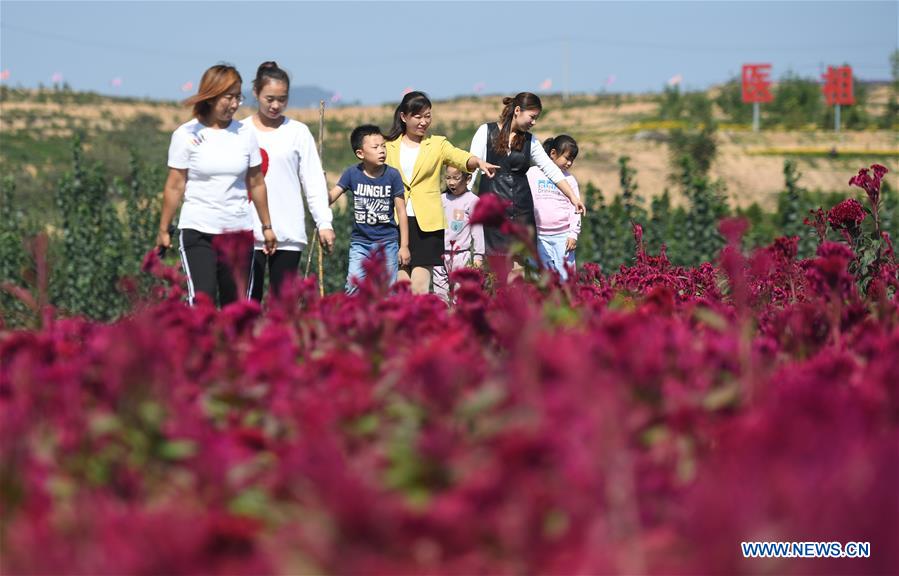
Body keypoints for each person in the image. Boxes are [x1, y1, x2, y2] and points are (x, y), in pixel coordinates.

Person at [156, 64, 277, 307]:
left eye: (238, 97)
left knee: (236, 306)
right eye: (228, 97)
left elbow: (256, 182)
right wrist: (163, 229)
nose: (234, 104)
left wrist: (267, 226)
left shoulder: (245, 134)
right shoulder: (186, 134)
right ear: (211, 96)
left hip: (237, 231)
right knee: (203, 302)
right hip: (198, 231)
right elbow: (175, 185)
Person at [385, 91, 498, 295]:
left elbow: (459, 157)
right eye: (418, 116)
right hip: (396, 221)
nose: (423, 121)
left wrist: (478, 162)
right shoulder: (389, 147)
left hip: (427, 223)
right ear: (404, 117)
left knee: (420, 287)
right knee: (401, 287)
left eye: (427, 116)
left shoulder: (437, 144)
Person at [242, 61, 335, 302]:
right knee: (245, 304)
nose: (275, 105)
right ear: (256, 93)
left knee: (283, 307)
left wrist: (324, 222)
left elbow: (313, 180)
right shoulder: (240, 132)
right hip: (247, 232)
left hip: (288, 233)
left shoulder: (298, 132)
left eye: (282, 99)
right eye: (269, 98)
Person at [468, 92, 585, 278]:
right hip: (493, 210)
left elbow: (551, 170)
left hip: (521, 209)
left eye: (536, 118)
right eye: (532, 117)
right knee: (495, 267)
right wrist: (465, 197)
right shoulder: (486, 131)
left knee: (519, 268)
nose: (534, 122)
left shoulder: (531, 141)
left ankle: (517, 304)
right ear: (517, 111)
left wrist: (573, 197)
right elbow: (471, 166)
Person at [329, 125, 410, 293]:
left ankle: (388, 319)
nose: (382, 151)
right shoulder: (352, 173)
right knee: (353, 286)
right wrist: (319, 186)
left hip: (387, 242)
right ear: (360, 153)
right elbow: (330, 198)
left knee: (388, 289)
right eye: (375, 147)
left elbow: (401, 211)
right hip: (360, 243)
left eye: (383, 146)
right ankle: (351, 318)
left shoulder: (392, 175)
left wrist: (404, 246)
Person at [527, 135, 581, 280]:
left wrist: (573, 234)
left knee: (566, 277)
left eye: (572, 160)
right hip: (538, 236)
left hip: (563, 238)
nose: (569, 163)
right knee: (539, 276)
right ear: (553, 154)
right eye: (567, 158)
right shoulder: (533, 173)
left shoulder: (570, 181)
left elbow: (575, 209)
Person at [432, 166, 485, 303]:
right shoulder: (441, 199)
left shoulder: (472, 200)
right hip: (440, 254)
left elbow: (477, 230)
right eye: (448, 177)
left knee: (460, 296)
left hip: (462, 255)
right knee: (440, 295)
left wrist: (479, 256)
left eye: (456, 178)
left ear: (468, 179)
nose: (451, 182)